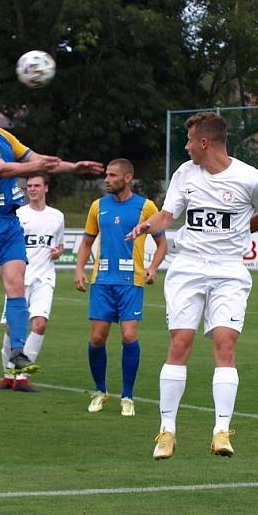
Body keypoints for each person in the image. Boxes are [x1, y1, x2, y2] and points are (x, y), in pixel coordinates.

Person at [126, 112, 258, 459]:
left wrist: (242, 232)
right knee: (180, 344)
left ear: (205, 142)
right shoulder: (185, 173)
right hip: (188, 268)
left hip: (229, 271)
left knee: (225, 345)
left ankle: (221, 431)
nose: (186, 145)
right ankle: (167, 431)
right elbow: (169, 215)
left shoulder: (251, 180)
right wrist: (148, 225)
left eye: (190, 139)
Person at [0, 88, 103, 393]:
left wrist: (73, 167)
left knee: (16, 282)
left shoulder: (1, 135)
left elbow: (36, 159)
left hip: (9, 223)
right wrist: (39, 166)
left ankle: (17, 351)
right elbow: (5, 169)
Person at [75, 159, 168, 416]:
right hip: (102, 281)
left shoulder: (146, 206)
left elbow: (162, 244)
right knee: (97, 338)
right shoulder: (98, 206)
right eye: (106, 175)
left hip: (131, 282)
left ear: (127, 178)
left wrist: (153, 268)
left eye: (112, 175)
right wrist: (80, 269)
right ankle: (100, 390)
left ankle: (127, 395)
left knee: (129, 336)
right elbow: (86, 243)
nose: (106, 179)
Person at [0, 174, 65, 392]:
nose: (32, 189)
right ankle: (8, 374)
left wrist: (57, 251)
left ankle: (22, 376)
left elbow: (60, 245)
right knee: (12, 327)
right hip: (17, 278)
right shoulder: (17, 214)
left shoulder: (57, 217)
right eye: (29, 186)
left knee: (40, 324)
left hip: (44, 278)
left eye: (37, 186)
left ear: (46, 188)